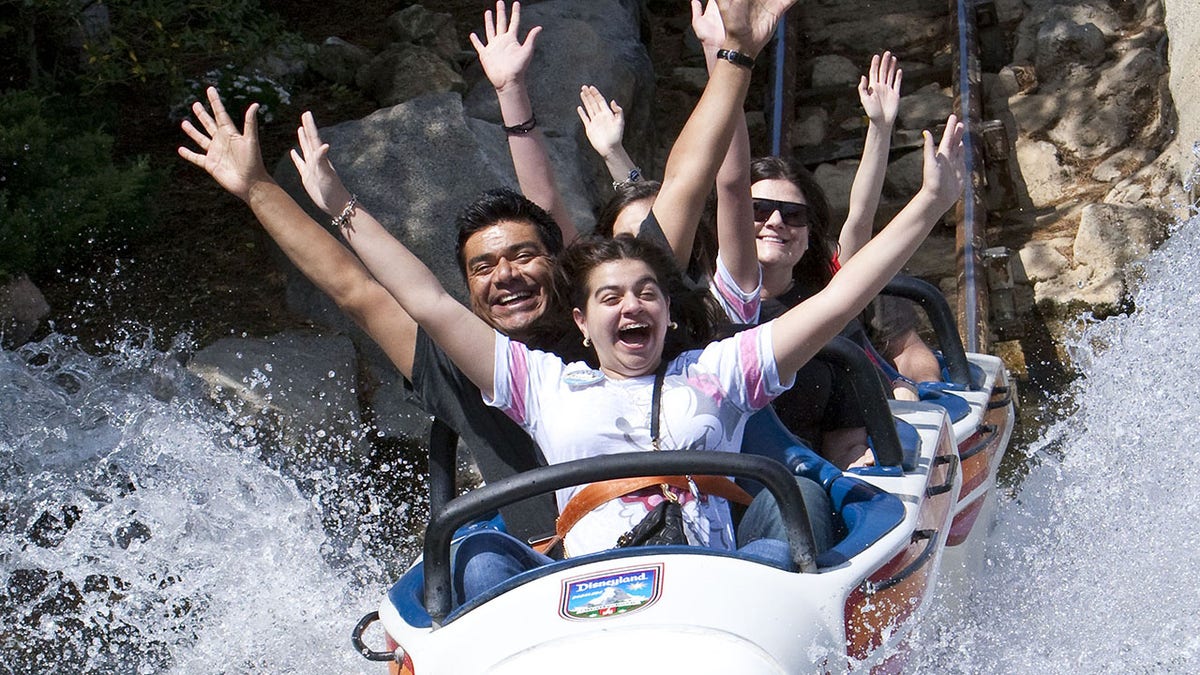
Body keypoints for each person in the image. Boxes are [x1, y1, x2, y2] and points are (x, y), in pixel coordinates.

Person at [292, 81, 965, 600]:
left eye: (646, 292)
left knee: (796, 504)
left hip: (722, 588)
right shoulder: (543, 383)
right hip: (588, 598)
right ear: (580, 321)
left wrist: (930, 204)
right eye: (609, 297)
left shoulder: (721, 370)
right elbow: (429, 301)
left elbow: (843, 295)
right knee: (476, 550)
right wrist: (342, 207)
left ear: (670, 311)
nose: (631, 306)